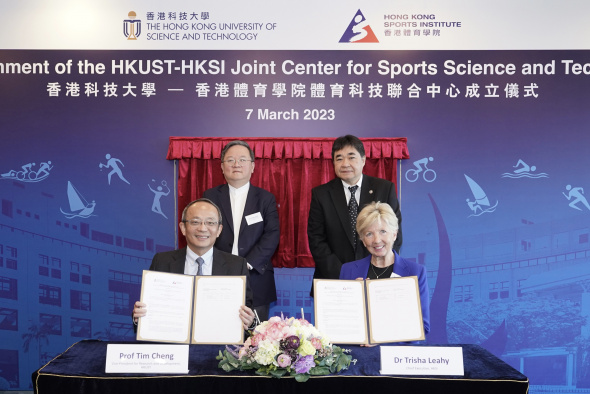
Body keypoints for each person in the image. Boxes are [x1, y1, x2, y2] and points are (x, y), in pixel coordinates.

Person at [133, 198, 257, 329]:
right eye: (195, 222)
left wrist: (250, 322)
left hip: (218, 345)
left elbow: (247, 312)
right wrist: (139, 318)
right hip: (173, 343)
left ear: (219, 229)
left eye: (210, 222)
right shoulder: (162, 261)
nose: (203, 228)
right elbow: (150, 308)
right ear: (183, 228)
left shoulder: (236, 265)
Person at [308, 134, 402, 294]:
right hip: (333, 281)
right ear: (333, 163)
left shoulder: (384, 189)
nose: (345, 164)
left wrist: (375, 272)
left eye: (351, 157)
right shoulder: (321, 194)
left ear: (363, 160)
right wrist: (345, 274)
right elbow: (316, 240)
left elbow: (394, 234)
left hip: (376, 280)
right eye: (339, 158)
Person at [202, 140, 280, 322]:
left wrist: (247, 263)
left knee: (256, 342)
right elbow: (204, 233)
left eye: (242, 159)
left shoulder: (265, 198)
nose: (236, 164)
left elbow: (272, 234)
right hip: (218, 275)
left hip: (256, 277)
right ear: (222, 167)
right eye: (230, 160)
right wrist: (225, 263)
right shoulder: (210, 196)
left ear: (252, 166)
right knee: (218, 332)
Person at [340, 201, 430, 335]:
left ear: (394, 234)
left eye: (383, 231)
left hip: (396, 352)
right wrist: (352, 301)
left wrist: (379, 337)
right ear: (363, 240)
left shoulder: (415, 272)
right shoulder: (348, 271)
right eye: (369, 234)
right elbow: (341, 322)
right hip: (359, 352)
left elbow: (423, 326)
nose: (376, 240)